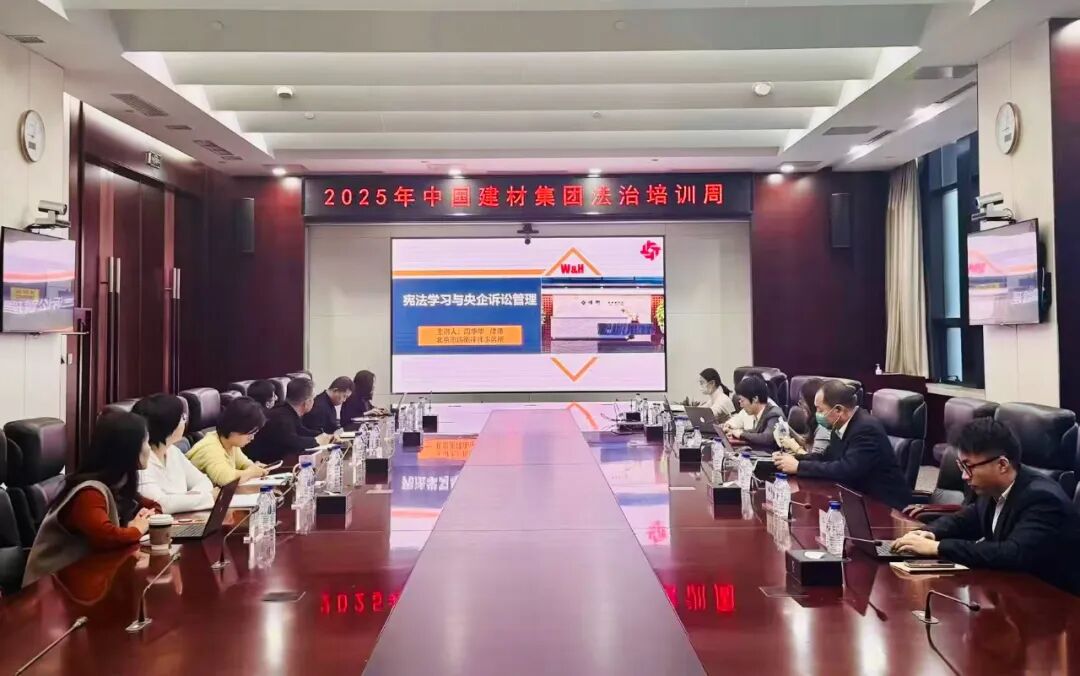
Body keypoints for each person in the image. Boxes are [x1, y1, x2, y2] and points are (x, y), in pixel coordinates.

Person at [892, 418, 1080, 595]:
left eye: (969, 467)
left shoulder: (1042, 498)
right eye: (961, 467)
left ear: (1002, 465)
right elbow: (966, 519)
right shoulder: (992, 488)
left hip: (1055, 601)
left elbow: (1013, 553)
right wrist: (930, 533)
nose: (964, 476)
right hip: (1013, 591)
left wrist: (938, 547)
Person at [23, 411, 161, 586]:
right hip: (51, 586)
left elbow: (154, 507)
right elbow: (106, 537)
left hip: (87, 578)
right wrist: (137, 529)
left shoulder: (119, 481)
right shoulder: (89, 493)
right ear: (129, 448)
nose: (149, 448)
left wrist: (143, 521)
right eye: (146, 442)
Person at [772, 379, 911, 509]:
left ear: (838, 410)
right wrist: (793, 459)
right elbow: (826, 458)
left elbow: (847, 469)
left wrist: (799, 467)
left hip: (883, 506)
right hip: (854, 499)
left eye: (820, 410)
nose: (817, 414)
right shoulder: (839, 425)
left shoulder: (866, 429)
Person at [133, 393, 215, 514]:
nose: (185, 422)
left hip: (185, 518)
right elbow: (160, 504)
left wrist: (184, 500)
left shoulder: (173, 451)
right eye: (182, 418)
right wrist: (206, 498)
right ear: (168, 425)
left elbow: (204, 482)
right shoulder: (141, 461)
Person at [247, 377, 333, 464]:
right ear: (307, 402)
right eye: (313, 398)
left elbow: (301, 431)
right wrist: (316, 441)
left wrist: (327, 436)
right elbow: (293, 442)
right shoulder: (280, 418)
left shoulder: (287, 411)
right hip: (262, 465)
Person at [187, 397, 270, 486]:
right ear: (235, 428)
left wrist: (254, 467)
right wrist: (250, 472)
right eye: (250, 434)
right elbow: (225, 479)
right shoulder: (210, 448)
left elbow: (243, 463)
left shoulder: (230, 443)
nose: (252, 438)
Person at [727, 375, 784, 449]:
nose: (741, 405)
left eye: (742, 401)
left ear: (755, 399)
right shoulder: (762, 413)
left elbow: (766, 438)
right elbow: (756, 432)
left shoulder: (774, 414)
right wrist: (735, 432)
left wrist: (741, 434)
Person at [777, 377, 830, 456]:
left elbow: (814, 460)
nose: (800, 404)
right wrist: (789, 430)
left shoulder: (823, 427)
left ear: (812, 403)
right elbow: (808, 444)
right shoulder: (814, 423)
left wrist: (795, 447)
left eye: (802, 400)